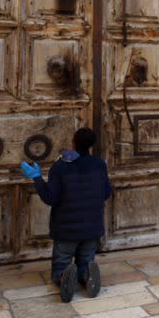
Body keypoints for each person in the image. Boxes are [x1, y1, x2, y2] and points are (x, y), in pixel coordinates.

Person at [20, 127, 112, 303]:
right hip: (92, 227)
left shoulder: (61, 167)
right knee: (86, 258)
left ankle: (63, 278)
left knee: (62, 261)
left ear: (73, 143)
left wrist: (37, 178)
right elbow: (106, 192)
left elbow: (50, 198)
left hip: (66, 229)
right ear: (91, 145)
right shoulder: (100, 165)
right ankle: (86, 275)